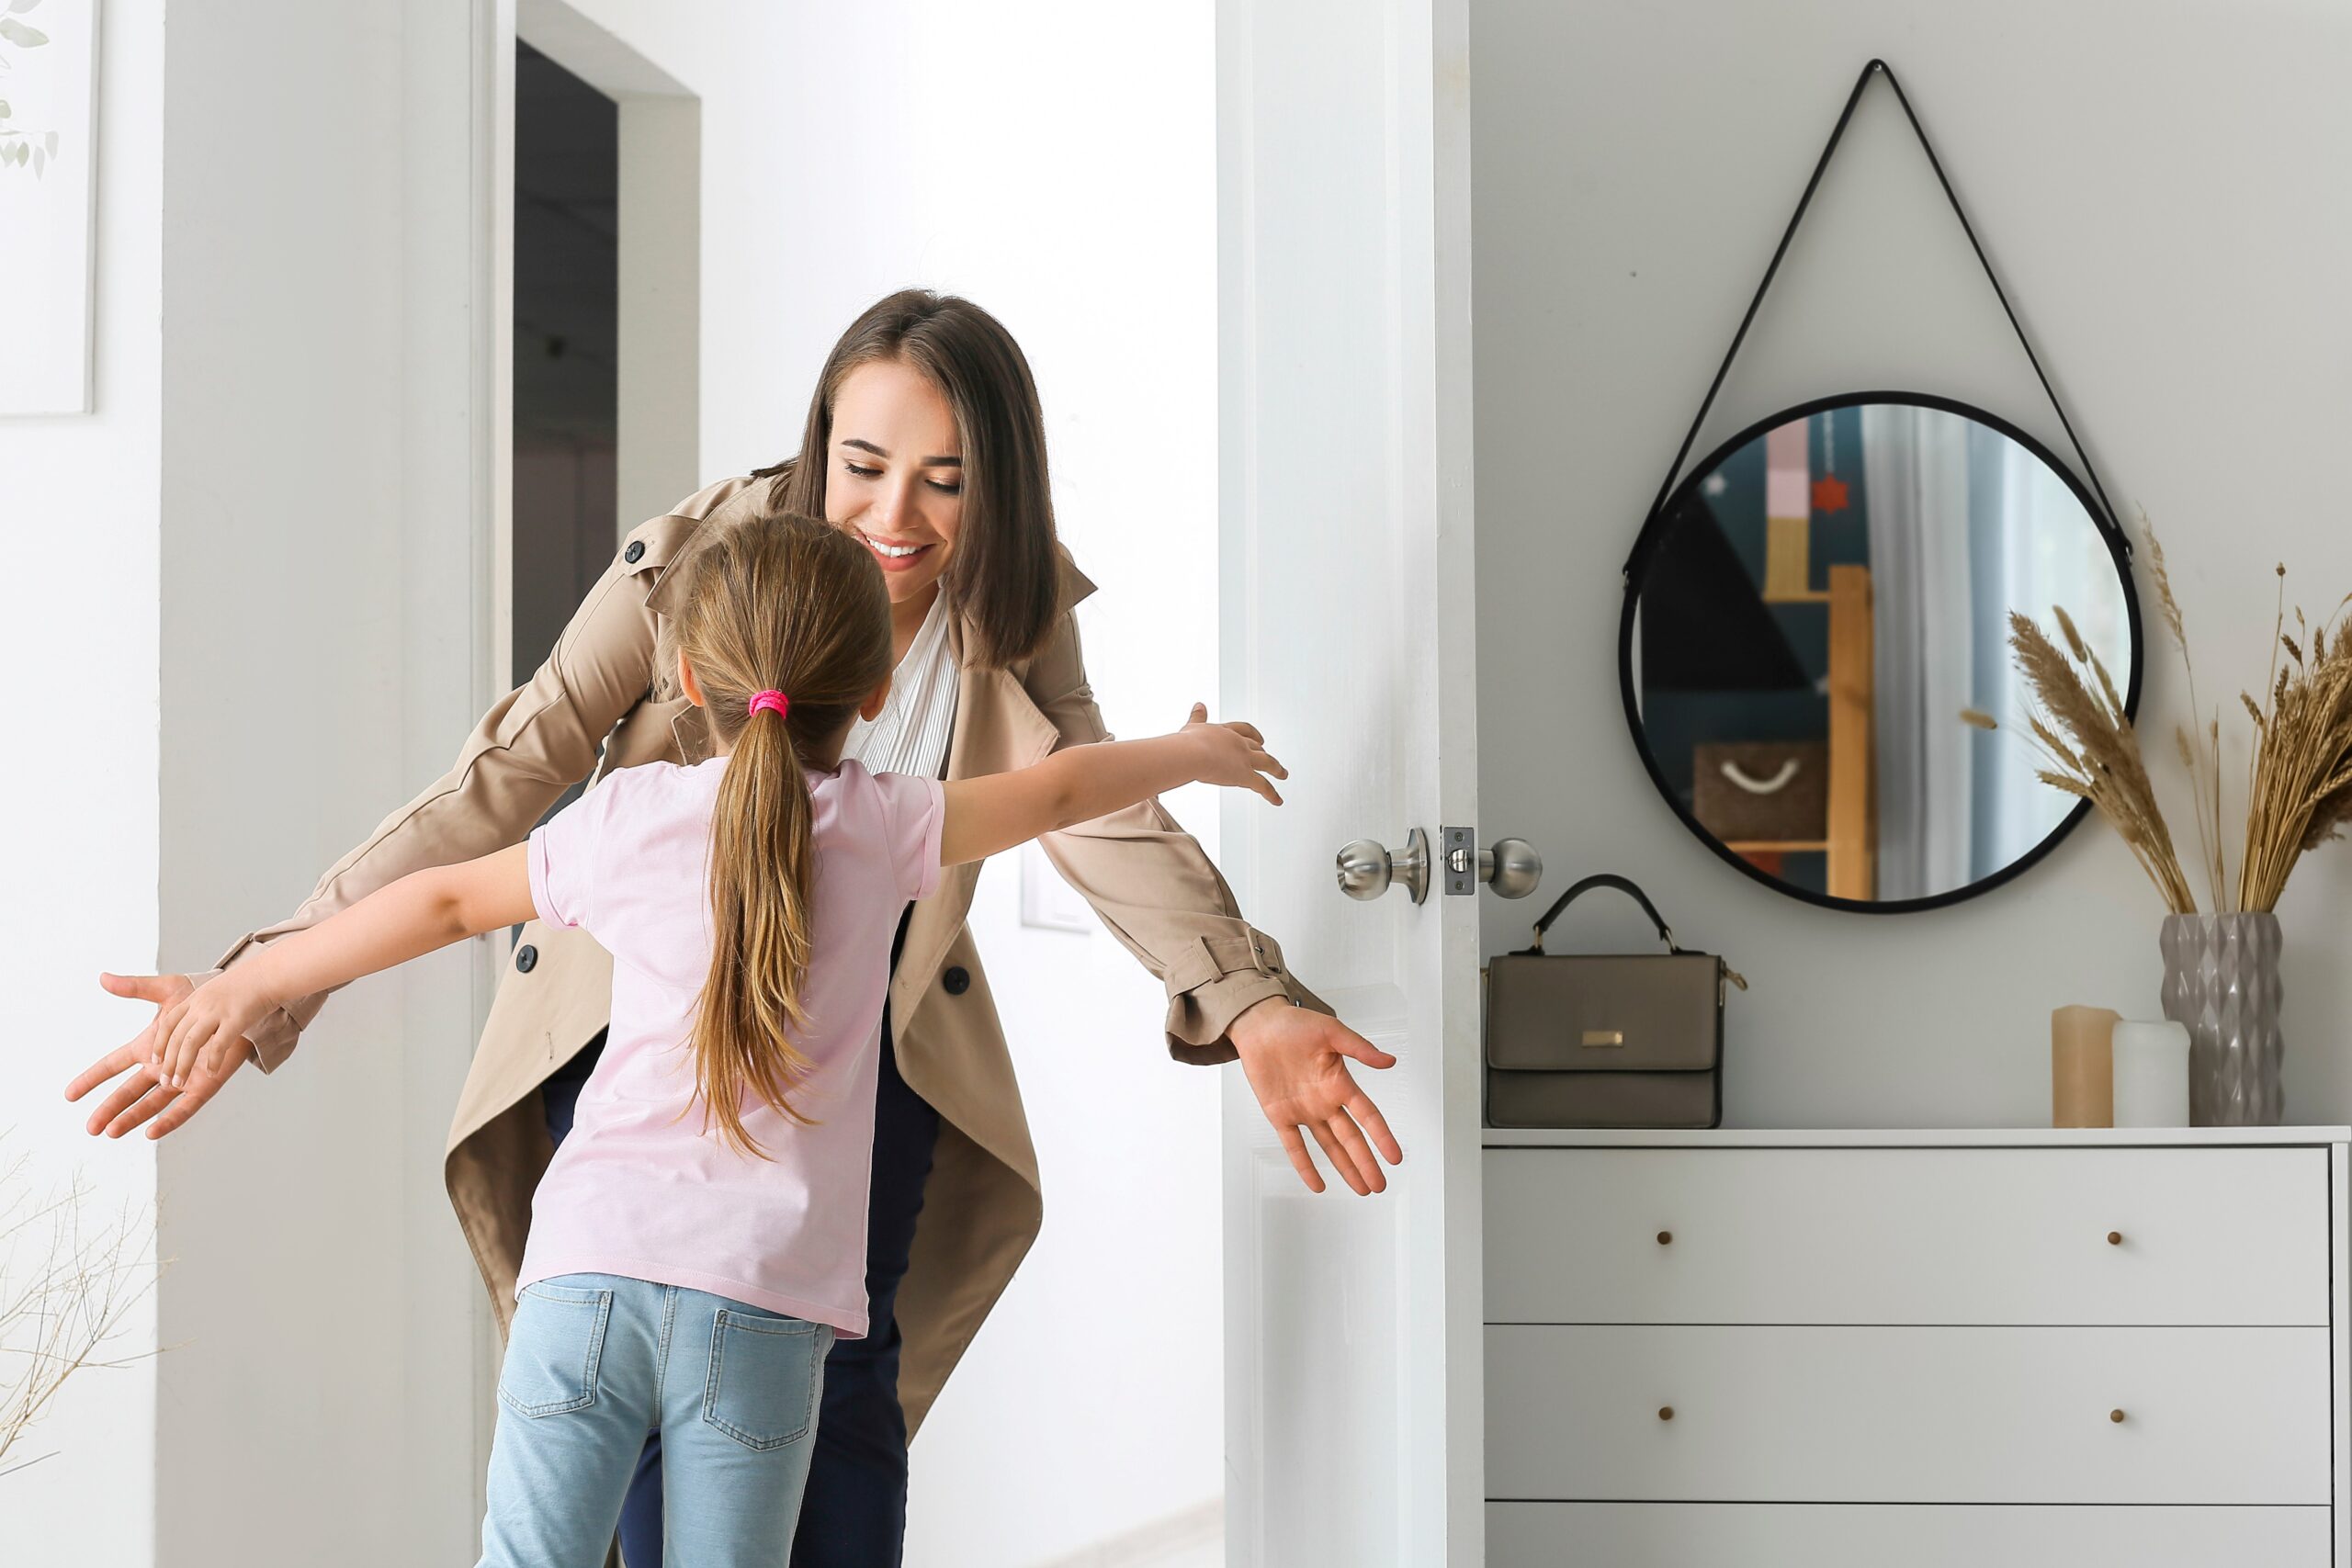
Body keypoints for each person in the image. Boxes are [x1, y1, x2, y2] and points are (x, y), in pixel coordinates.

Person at [70, 289, 1401, 1567]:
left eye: (946, 478)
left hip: (858, 1063)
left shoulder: (1009, 594)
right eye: (865, 462)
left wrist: (1247, 994)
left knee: (845, 1408)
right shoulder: (706, 562)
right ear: (820, 439)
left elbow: (1075, 790)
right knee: (677, 1448)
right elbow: (509, 777)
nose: (895, 514)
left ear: (999, 481)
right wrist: (271, 978)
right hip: (641, 1032)